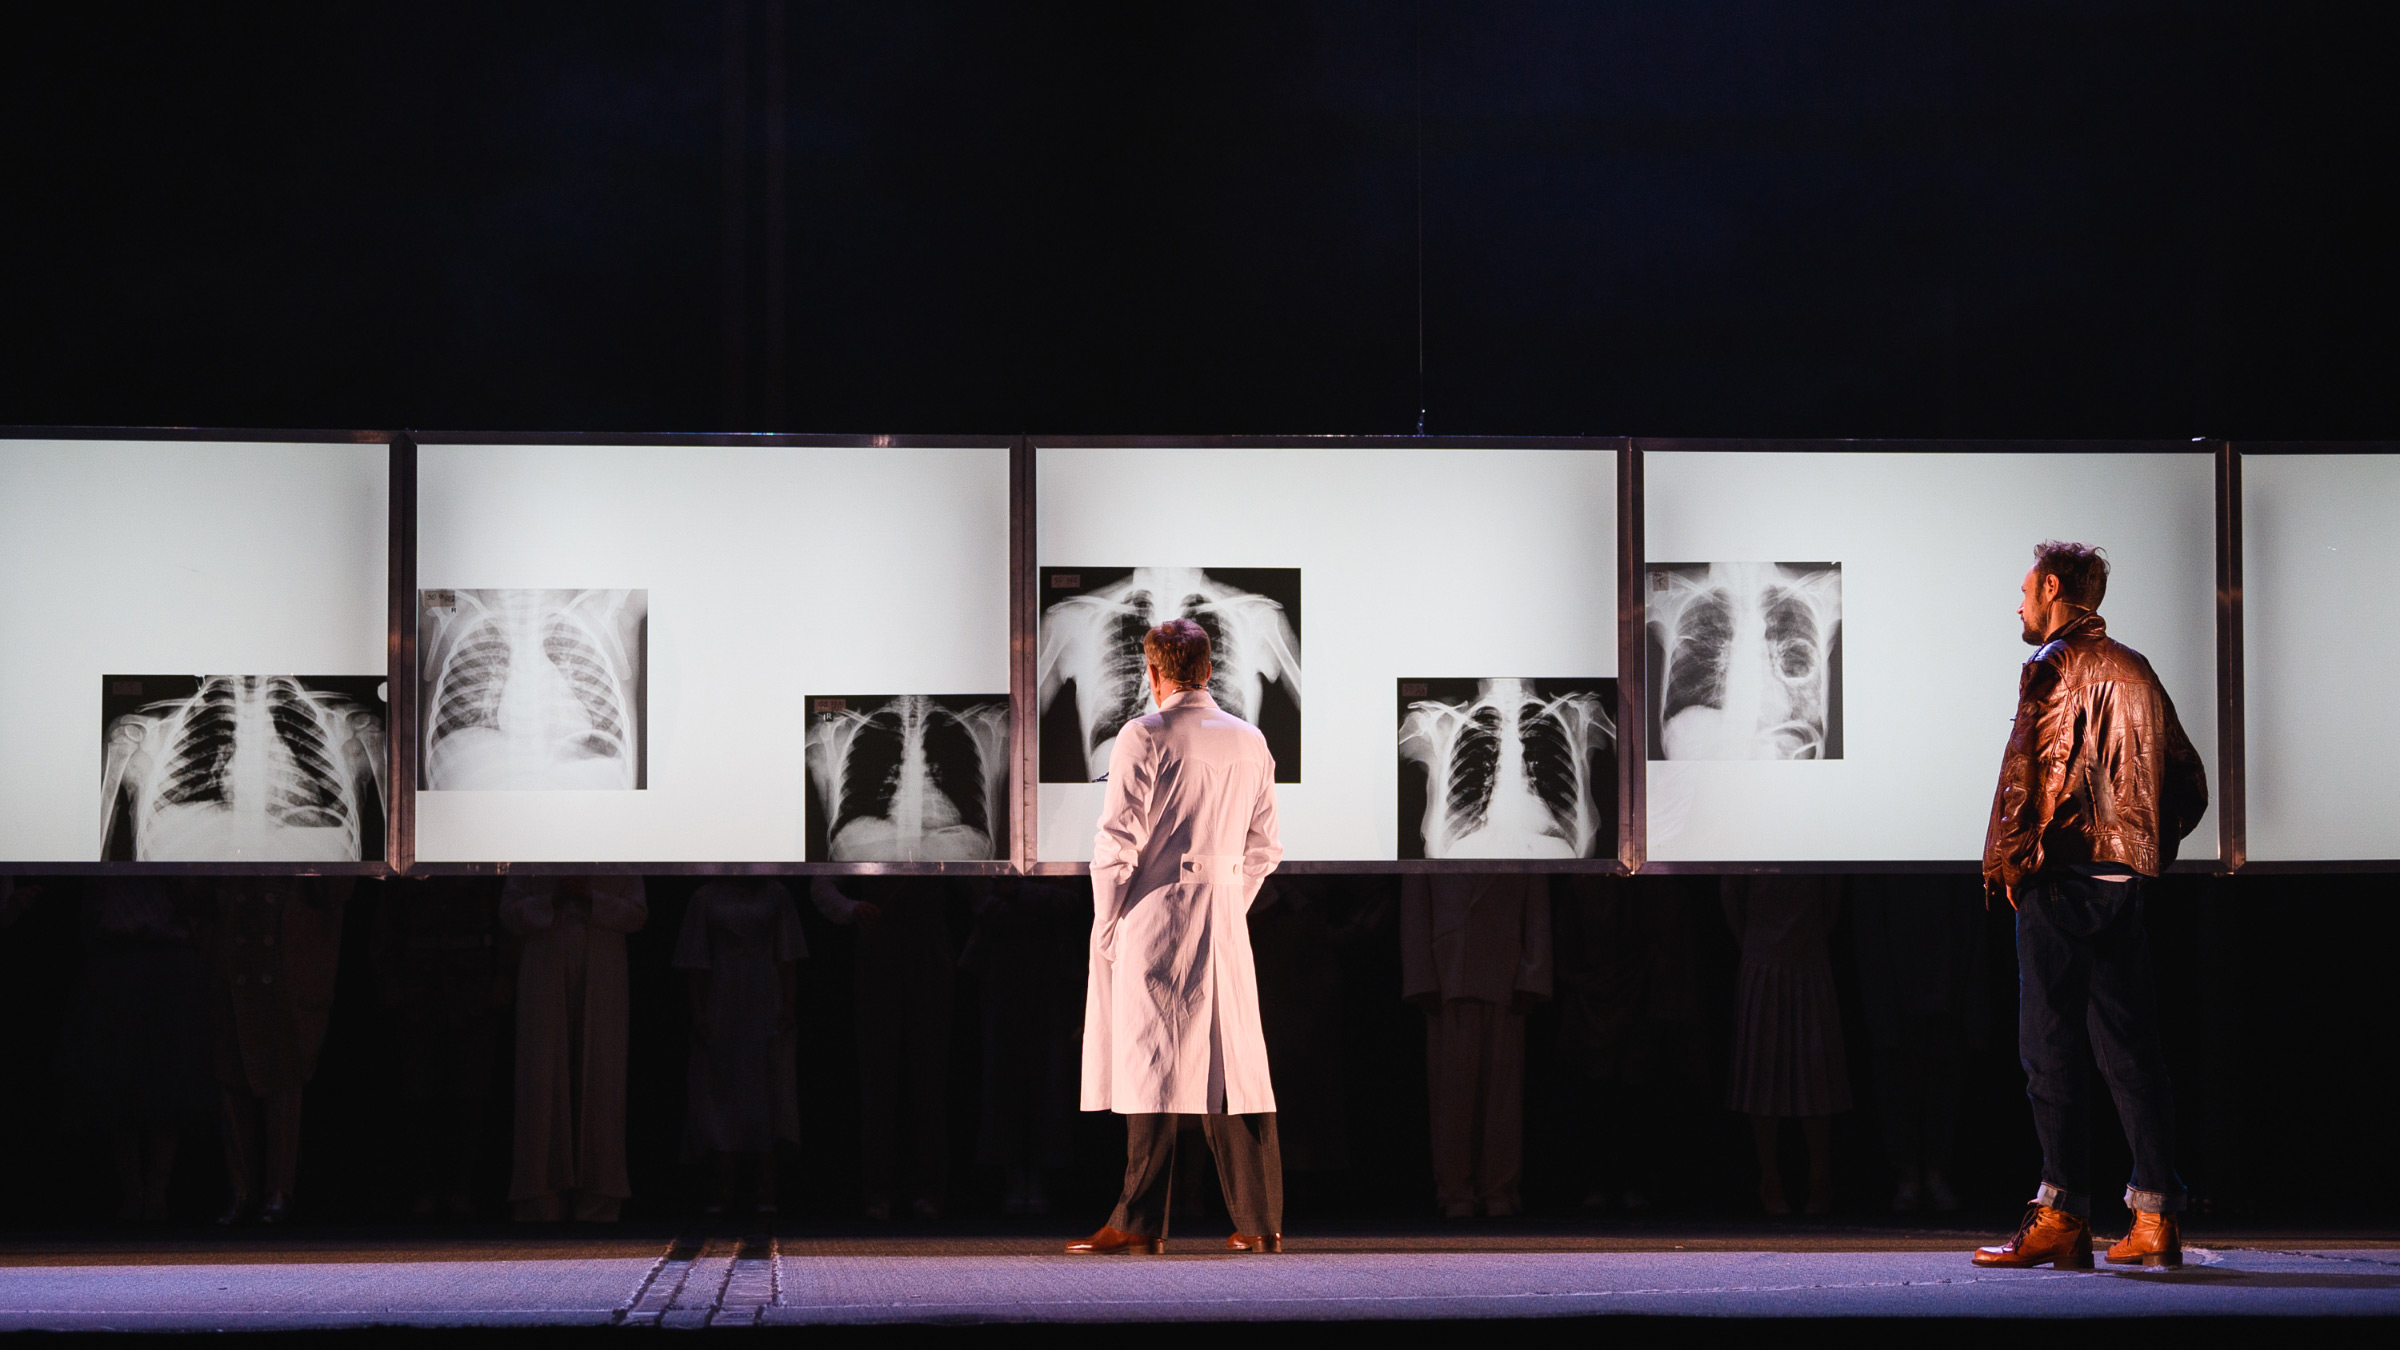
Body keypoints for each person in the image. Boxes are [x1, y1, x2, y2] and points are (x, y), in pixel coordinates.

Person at [1973, 541, 2207, 1271]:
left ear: (2051, 588)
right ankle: (2155, 1218)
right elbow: (2189, 781)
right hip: (2120, 884)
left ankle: (2063, 1214)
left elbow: (2029, 769)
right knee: (2132, 1051)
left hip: (2061, 878)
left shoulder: (2053, 663)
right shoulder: (2136, 668)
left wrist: (2013, 864)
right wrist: (2140, 850)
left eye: (2024, 591)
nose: (2018, 605)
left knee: (2049, 1051)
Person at [1068, 617, 1286, 1256]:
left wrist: (1108, 921)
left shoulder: (1144, 734)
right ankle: (1261, 1224)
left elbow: (1116, 842)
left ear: (1153, 673)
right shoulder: (1250, 739)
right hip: (1223, 918)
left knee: (1153, 1063)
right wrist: (1229, 902)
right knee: (1234, 1064)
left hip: (1155, 915)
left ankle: (1139, 1224)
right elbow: (1265, 848)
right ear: (1209, 670)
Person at [1401, 873, 1551, 1219]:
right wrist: (1421, 977)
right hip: (1448, 971)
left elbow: (1536, 905)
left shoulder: (1523, 839)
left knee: (1503, 1093)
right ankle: (1455, 1189)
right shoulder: (1426, 845)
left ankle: (1499, 1188)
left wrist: (1533, 975)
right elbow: (1415, 909)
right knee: (1451, 1093)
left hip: (1505, 970)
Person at [810, 876, 959, 1221]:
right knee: (878, 1080)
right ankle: (878, 1192)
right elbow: (821, 885)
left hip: (929, 956)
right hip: (879, 953)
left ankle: (928, 1191)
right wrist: (850, 908)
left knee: (930, 1080)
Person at [502, 875, 647, 1222]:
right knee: (541, 1073)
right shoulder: (529, 853)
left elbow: (637, 913)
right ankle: (539, 1193)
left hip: (603, 967)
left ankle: (600, 1193)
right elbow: (509, 912)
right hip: (545, 963)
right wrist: (551, 901)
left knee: (601, 1072)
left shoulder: (620, 855)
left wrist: (590, 896)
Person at [207, 877, 349, 1224]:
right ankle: (241, 1188)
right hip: (236, 938)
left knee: (284, 1075)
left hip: (285, 950)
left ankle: (279, 1189)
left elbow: (334, 888)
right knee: (231, 1072)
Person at [371, 876, 509, 1219]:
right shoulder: (407, 855)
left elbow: (503, 913)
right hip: (418, 984)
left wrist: (503, 974)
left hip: (473, 984)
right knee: (419, 1094)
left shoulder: (480, 857)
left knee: (471, 1094)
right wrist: (389, 978)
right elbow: (387, 918)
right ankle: (426, 1189)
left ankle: (461, 1189)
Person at [675, 878, 806, 1217]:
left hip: (763, 990)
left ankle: (766, 1184)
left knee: (765, 1085)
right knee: (721, 1085)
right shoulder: (706, 895)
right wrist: (697, 1009)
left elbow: (789, 954)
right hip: (723, 991)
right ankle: (722, 1183)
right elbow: (694, 958)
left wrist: (788, 1004)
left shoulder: (775, 893)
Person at [1722, 875, 1850, 1215]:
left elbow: (1831, 903)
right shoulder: (1747, 852)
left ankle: (1819, 1178)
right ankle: (1770, 1179)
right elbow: (1731, 900)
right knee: (1762, 1072)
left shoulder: (1816, 850)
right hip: (1762, 959)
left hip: (1808, 961)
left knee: (1815, 1070)